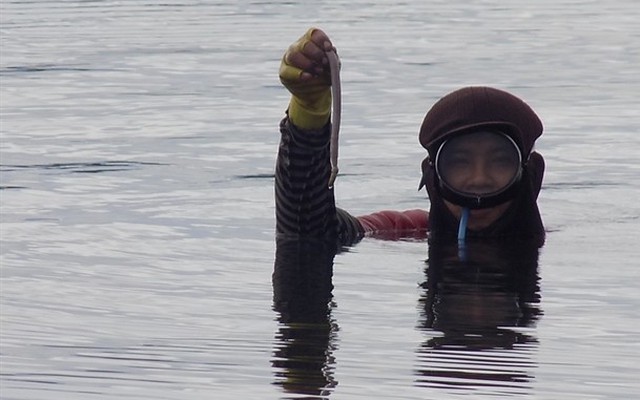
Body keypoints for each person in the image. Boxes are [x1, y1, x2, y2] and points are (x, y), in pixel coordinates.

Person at [275, 27, 546, 248]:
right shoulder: (410, 229)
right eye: (459, 162)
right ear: (432, 176)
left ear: (530, 173)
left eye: (500, 162)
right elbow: (311, 230)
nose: (479, 179)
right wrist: (308, 113)